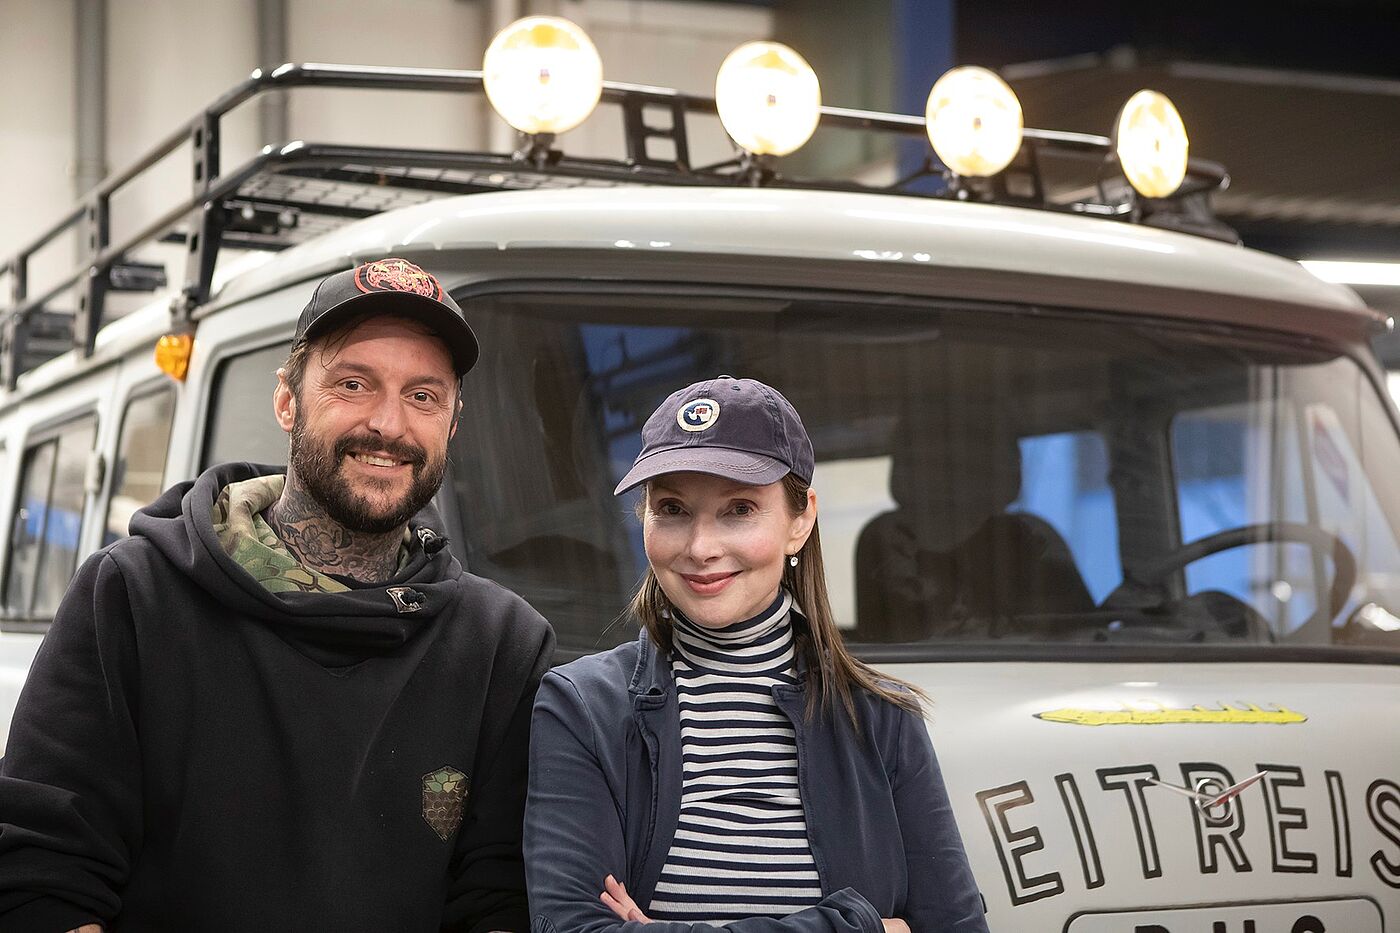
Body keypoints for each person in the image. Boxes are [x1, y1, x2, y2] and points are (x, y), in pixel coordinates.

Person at [0, 258, 554, 932]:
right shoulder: (132, 597)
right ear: (287, 399)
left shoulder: (505, 648)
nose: (389, 423)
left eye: (423, 395)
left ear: (452, 423)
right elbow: (44, 874)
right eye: (354, 382)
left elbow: (501, 899)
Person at [524, 376, 988, 932]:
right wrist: (855, 927)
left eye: (738, 509)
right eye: (671, 508)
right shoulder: (582, 709)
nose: (700, 548)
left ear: (801, 520)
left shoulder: (882, 719)